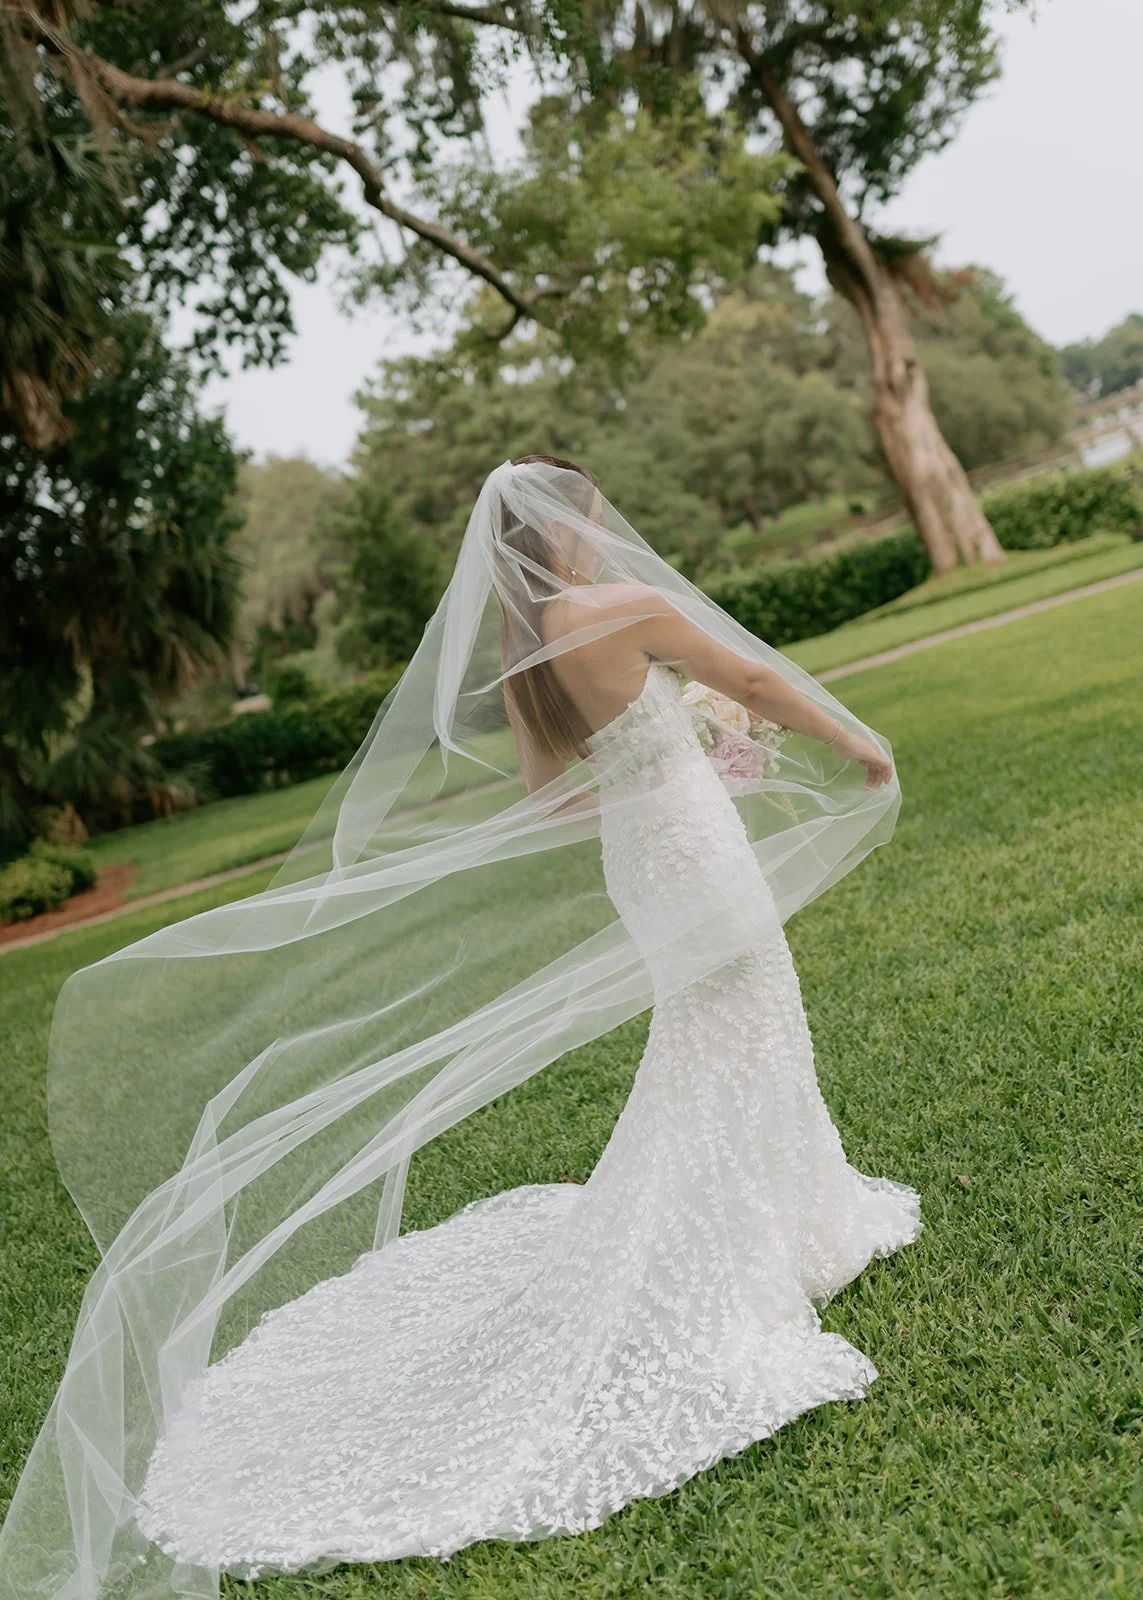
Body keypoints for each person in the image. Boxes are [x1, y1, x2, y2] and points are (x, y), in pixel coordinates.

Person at [0, 457, 921, 1598]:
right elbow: (749, 676)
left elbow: (549, 797)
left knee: (715, 1026)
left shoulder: (525, 654)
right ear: (577, 525)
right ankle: (736, 1242)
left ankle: (787, 1208)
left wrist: (661, 771)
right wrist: (846, 739)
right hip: (694, 847)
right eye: (595, 515)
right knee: (742, 1016)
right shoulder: (626, 606)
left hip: (643, 861)